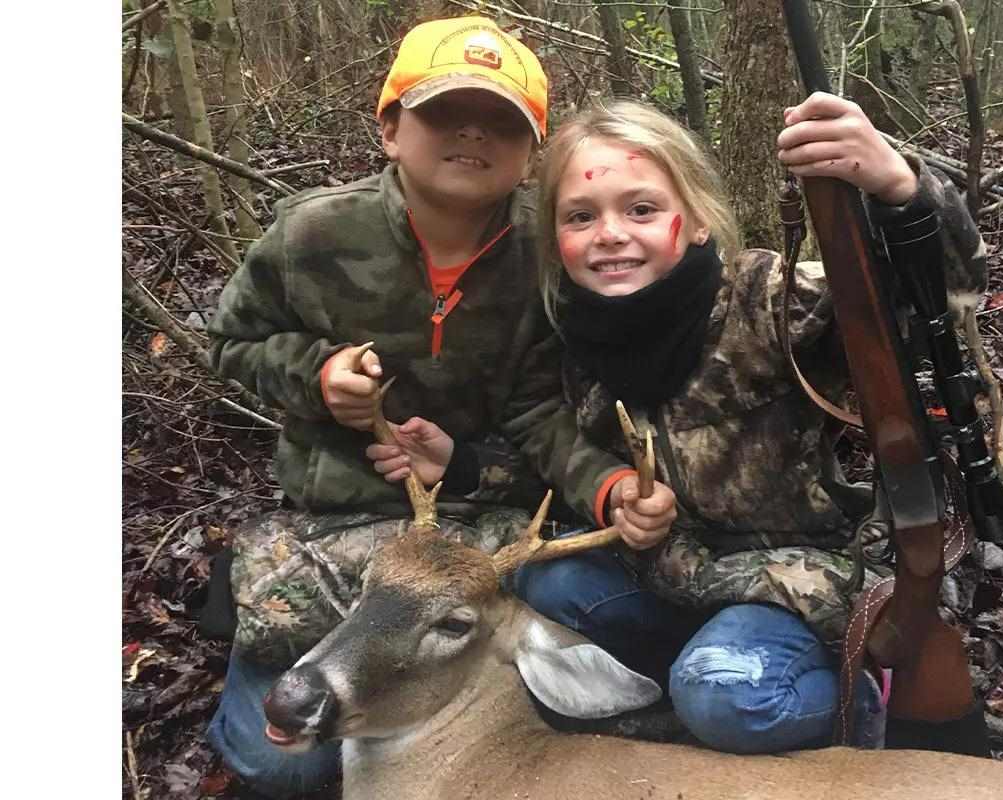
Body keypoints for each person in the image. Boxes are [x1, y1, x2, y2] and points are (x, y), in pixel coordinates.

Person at [204, 17, 675, 798]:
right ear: (390, 129)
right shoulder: (313, 232)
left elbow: (538, 412)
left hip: (476, 526)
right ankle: (280, 622)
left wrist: (604, 487)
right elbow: (232, 344)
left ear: (532, 156)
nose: (471, 133)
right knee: (280, 767)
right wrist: (318, 378)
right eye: (442, 112)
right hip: (339, 524)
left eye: (502, 123)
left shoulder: (549, 252)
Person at [503, 96, 986, 753]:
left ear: (698, 221)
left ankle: (865, 705)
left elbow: (942, 302)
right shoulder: (572, 333)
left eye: (641, 209)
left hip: (796, 589)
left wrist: (900, 187)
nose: (610, 234)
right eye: (580, 216)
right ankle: (685, 690)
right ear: (555, 240)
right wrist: (613, 492)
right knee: (544, 586)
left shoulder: (768, 300)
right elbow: (541, 434)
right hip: (673, 579)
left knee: (725, 695)